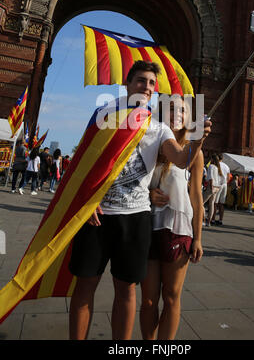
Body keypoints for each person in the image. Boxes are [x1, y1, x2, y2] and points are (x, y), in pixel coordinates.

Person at [68, 61, 211, 340]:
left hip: (135, 219)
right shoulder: (104, 115)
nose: (146, 87)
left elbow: (182, 160)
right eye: (141, 81)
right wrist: (88, 199)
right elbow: (82, 162)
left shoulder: (159, 129)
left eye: (151, 84)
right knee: (85, 287)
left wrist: (198, 139)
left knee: (126, 290)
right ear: (127, 84)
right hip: (98, 216)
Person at [140, 95, 204, 340]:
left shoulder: (194, 151)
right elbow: (132, 182)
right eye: (170, 109)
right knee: (147, 300)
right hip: (147, 226)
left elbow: (196, 197)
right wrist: (148, 194)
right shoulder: (149, 145)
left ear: (188, 117)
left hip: (177, 229)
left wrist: (198, 238)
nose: (176, 113)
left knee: (171, 297)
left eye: (181, 110)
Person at [213, 153, 230, 225]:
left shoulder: (216, 165)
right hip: (224, 185)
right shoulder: (226, 166)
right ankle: (220, 220)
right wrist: (225, 182)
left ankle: (213, 219)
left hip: (218, 185)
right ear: (222, 159)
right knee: (222, 204)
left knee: (215, 203)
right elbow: (228, 178)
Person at [206, 153, 222, 226]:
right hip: (217, 187)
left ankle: (201, 218)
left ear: (212, 159)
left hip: (211, 186)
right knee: (211, 204)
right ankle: (208, 221)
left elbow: (211, 177)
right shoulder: (217, 168)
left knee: (201, 202)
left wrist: (211, 185)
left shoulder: (211, 166)